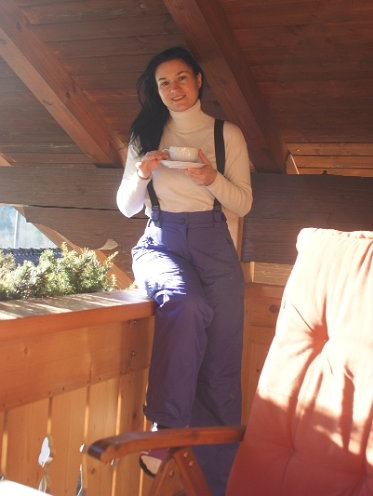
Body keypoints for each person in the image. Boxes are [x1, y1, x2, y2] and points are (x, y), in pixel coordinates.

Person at [116, 46, 253, 496]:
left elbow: (243, 204)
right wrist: (141, 173)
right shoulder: (145, 133)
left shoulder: (225, 134)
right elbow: (127, 207)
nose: (173, 89)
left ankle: (215, 485)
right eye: (164, 83)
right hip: (162, 240)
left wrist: (211, 179)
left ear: (198, 80)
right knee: (185, 303)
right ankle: (165, 427)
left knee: (221, 367)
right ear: (156, 90)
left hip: (215, 245)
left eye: (181, 78)